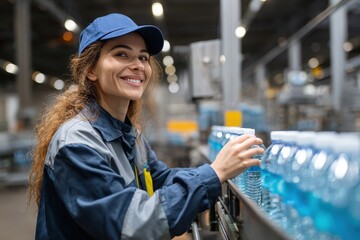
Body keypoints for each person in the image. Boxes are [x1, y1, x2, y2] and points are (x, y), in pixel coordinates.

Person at [28, 13, 264, 240]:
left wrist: (219, 169)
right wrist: (214, 173)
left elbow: (160, 179)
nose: (138, 65)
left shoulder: (131, 134)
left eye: (143, 57)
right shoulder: (77, 143)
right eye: (121, 54)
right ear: (90, 70)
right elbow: (132, 225)